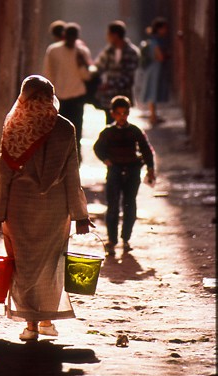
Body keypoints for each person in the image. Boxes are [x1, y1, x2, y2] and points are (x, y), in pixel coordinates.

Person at [0, 75, 94, 341]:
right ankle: (45, 320)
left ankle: (30, 325)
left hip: (20, 208)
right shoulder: (65, 129)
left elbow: (3, 176)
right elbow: (72, 175)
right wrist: (81, 216)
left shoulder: (15, 126)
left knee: (23, 265)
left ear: (24, 96)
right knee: (51, 264)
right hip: (56, 210)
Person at [93, 95, 155, 256]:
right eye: (118, 113)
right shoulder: (108, 132)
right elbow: (98, 148)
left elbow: (146, 150)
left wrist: (150, 168)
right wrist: (106, 159)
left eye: (125, 113)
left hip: (132, 171)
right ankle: (112, 240)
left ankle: (126, 238)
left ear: (128, 113)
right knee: (112, 206)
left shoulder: (135, 131)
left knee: (129, 205)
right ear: (112, 114)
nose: (122, 117)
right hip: (114, 171)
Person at [43, 22, 92, 162]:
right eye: (69, 37)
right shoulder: (53, 50)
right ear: (64, 36)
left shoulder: (81, 52)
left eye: (74, 37)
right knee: (58, 129)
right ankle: (59, 157)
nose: (71, 40)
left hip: (77, 96)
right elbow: (48, 73)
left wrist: (81, 63)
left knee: (76, 128)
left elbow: (86, 76)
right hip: (59, 96)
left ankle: (75, 158)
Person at [92, 20, 140, 124]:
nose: (107, 37)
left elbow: (128, 76)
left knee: (122, 123)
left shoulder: (132, 52)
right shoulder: (108, 51)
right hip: (109, 96)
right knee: (109, 123)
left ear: (115, 35)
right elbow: (98, 67)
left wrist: (110, 84)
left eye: (108, 34)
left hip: (124, 94)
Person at [140, 17, 171, 127]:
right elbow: (160, 56)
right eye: (164, 28)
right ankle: (153, 116)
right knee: (153, 91)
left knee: (154, 91)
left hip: (155, 68)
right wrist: (167, 55)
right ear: (159, 29)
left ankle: (153, 115)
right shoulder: (155, 41)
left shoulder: (156, 40)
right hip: (154, 69)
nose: (166, 31)